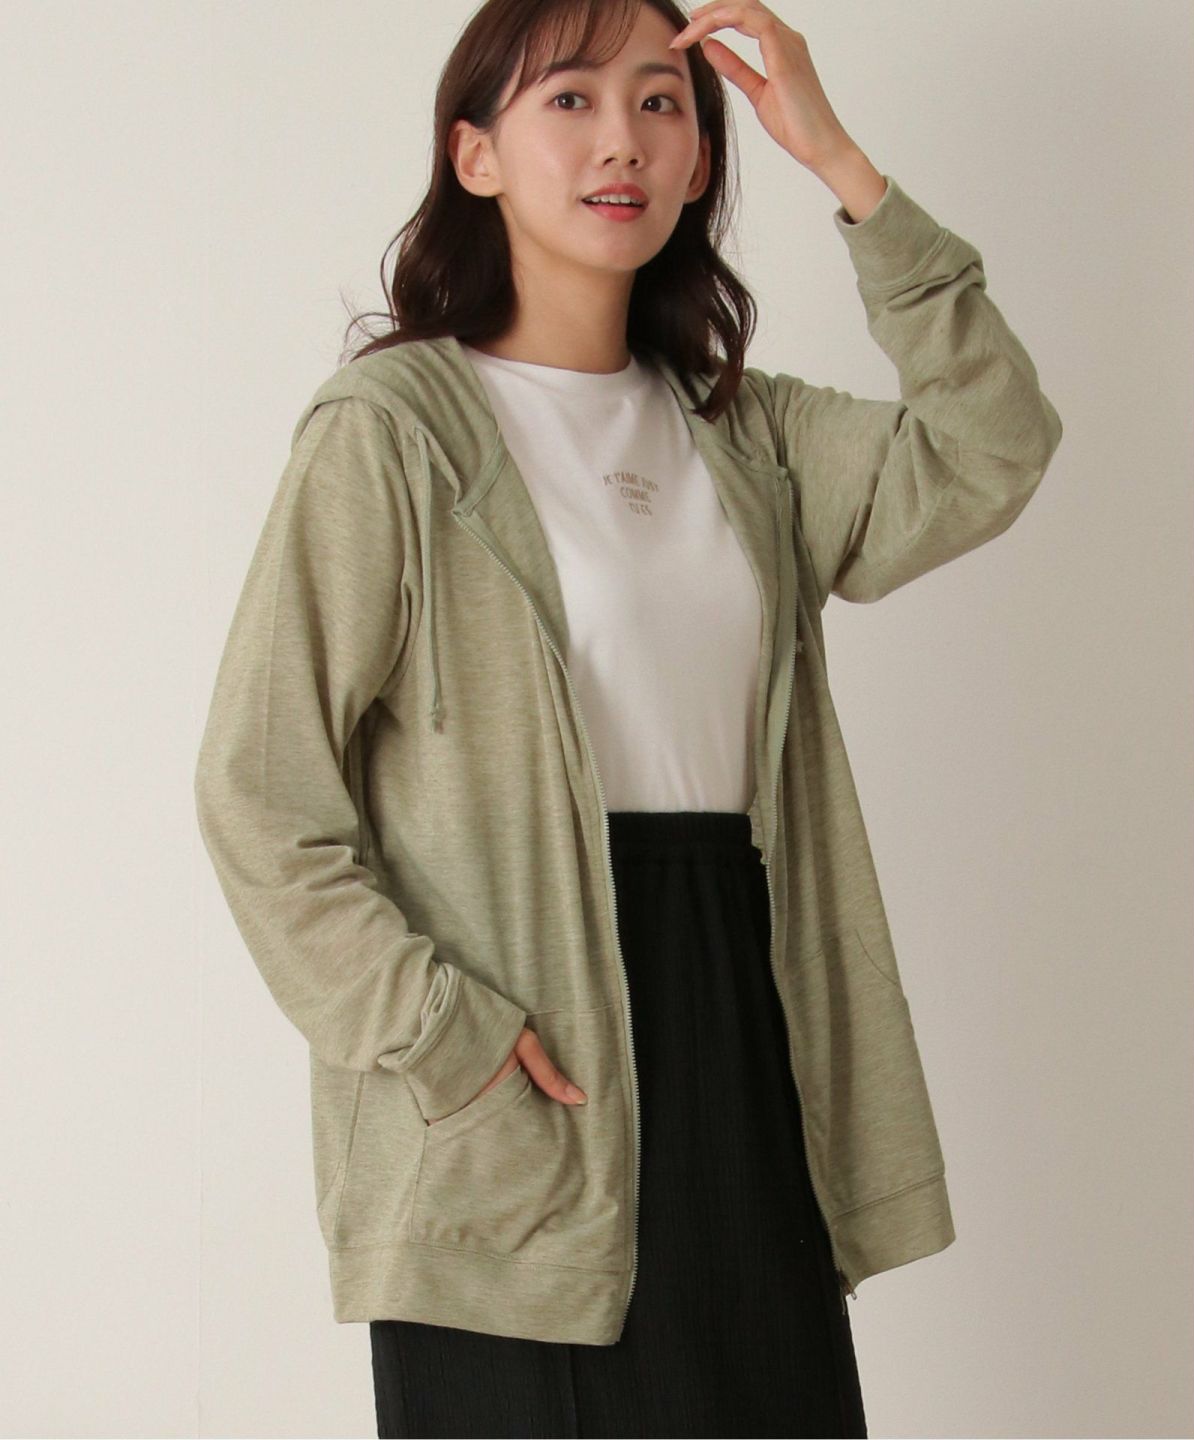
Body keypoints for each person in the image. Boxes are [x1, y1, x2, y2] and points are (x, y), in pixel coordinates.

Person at [194, 0, 1063, 1435]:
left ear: (701, 159)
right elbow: (261, 794)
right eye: (571, 100)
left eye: (662, 103)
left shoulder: (745, 431)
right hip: (520, 1057)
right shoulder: (393, 435)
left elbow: (992, 446)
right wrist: (442, 1032)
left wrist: (842, 165)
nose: (624, 142)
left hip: (740, 1013)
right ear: (474, 156)